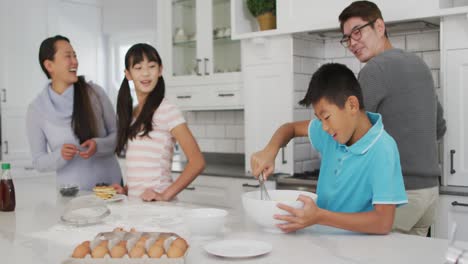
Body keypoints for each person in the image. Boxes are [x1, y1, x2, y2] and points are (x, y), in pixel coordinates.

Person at [250, 63, 407, 234]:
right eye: (319, 119)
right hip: (323, 242)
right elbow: (290, 128)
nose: (323, 127)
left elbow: (383, 223)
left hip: (360, 250)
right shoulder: (331, 132)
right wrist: (270, 150)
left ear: (352, 105)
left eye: (326, 117)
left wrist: (319, 216)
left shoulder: (383, 148)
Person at [338, 1, 447, 236]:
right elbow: (439, 128)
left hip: (399, 195)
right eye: (347, 38)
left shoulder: (374, 70)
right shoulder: (420, 65)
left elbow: (350, 133)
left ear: (379, 26)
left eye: (357, 32)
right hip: (429, 196)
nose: (352, 43)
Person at [27, 35, 122, 190]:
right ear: (49, 65)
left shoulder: (95, 93)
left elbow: (118, 135)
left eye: (75, 55)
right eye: (68, 56)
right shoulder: (37, 110)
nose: (75, 61)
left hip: (112, 189)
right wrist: (60, 155)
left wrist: (98, 145)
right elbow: (39, 162)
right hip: (71, 196)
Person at [112, 43, 205, 202]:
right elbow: (143, 168)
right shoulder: (133, 114)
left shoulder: (168, 111)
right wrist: (127, 189)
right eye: (138, 67)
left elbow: (197, 162)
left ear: (160, 70)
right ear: (128, 74)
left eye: (152, 66)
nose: (146, 73)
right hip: (136, 207)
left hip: (159, 209)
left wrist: (164, 195)